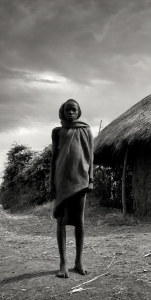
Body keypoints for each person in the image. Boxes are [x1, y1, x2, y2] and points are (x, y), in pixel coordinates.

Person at [50, 99, 93, 278]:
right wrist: (51, 182)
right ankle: (63, 264)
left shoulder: (86, 130)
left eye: (73, 109)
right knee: (61, 220)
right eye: (67, 109)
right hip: (61, 180)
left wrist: (91, 179)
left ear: (78, 111)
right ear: (62, 111)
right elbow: (54, 157)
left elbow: (91, 155)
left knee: (80, 221)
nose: (70, 113)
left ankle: (79, 262)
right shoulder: (57, 131)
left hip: (81, 179)